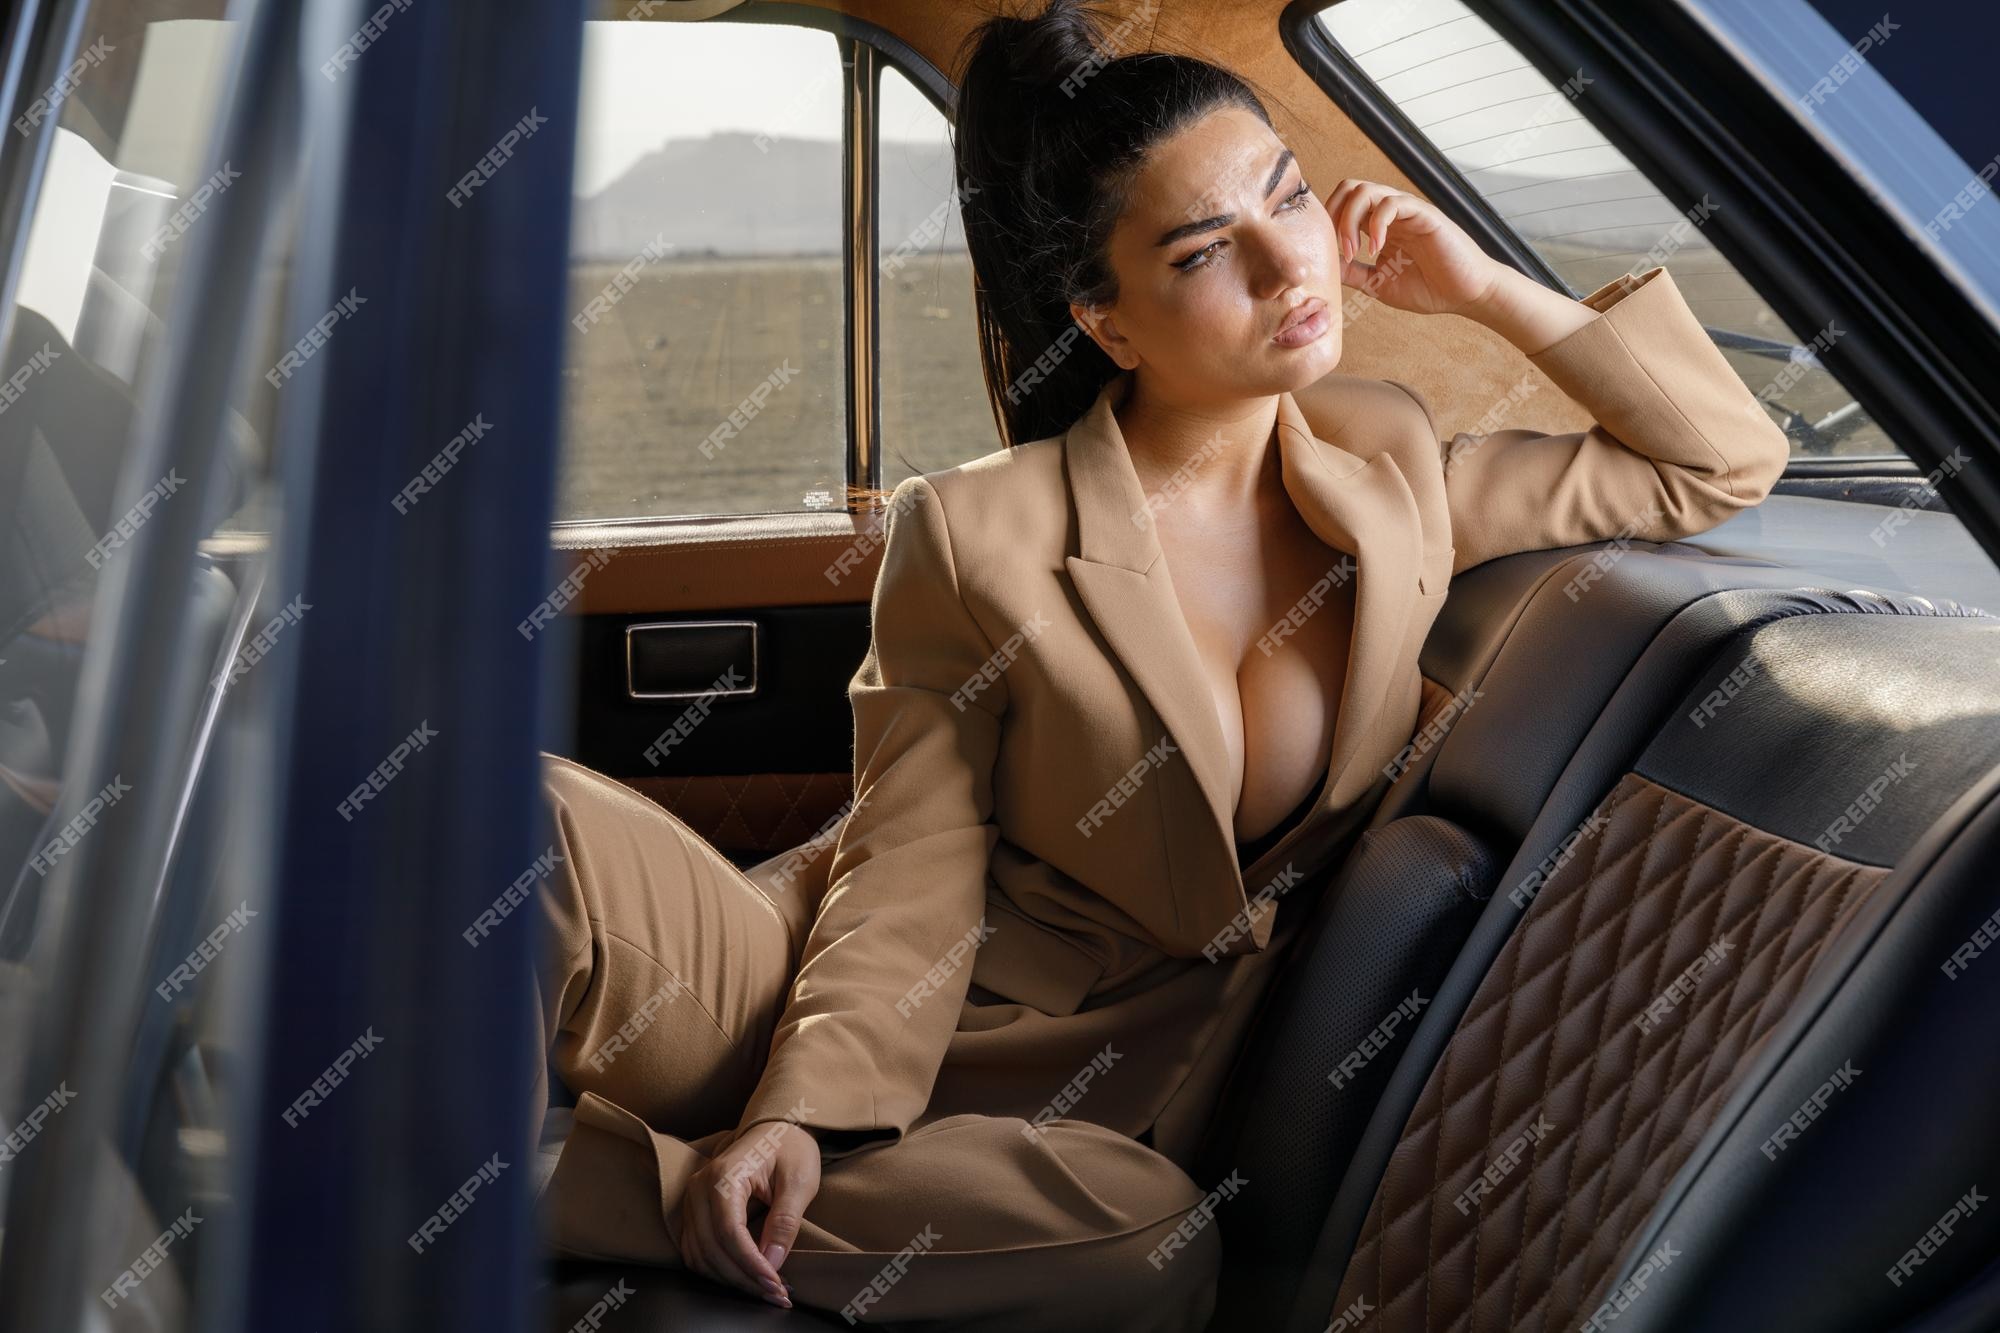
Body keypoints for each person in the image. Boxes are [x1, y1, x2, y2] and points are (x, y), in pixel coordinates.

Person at [528, 2, 1789, 1328]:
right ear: (1111, 322)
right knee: (523, 817)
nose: (1282, 263)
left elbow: (1713, 460)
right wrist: (797, 1107)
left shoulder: (1397, 471)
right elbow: (910, 859)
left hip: (1072, 1104)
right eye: (1203, 248)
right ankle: (445, 1201)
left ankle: (596, 1189)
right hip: (804, 994)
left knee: (1145, 1247)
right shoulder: (972, 532)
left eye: (1289, 198)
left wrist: (1478, 286)